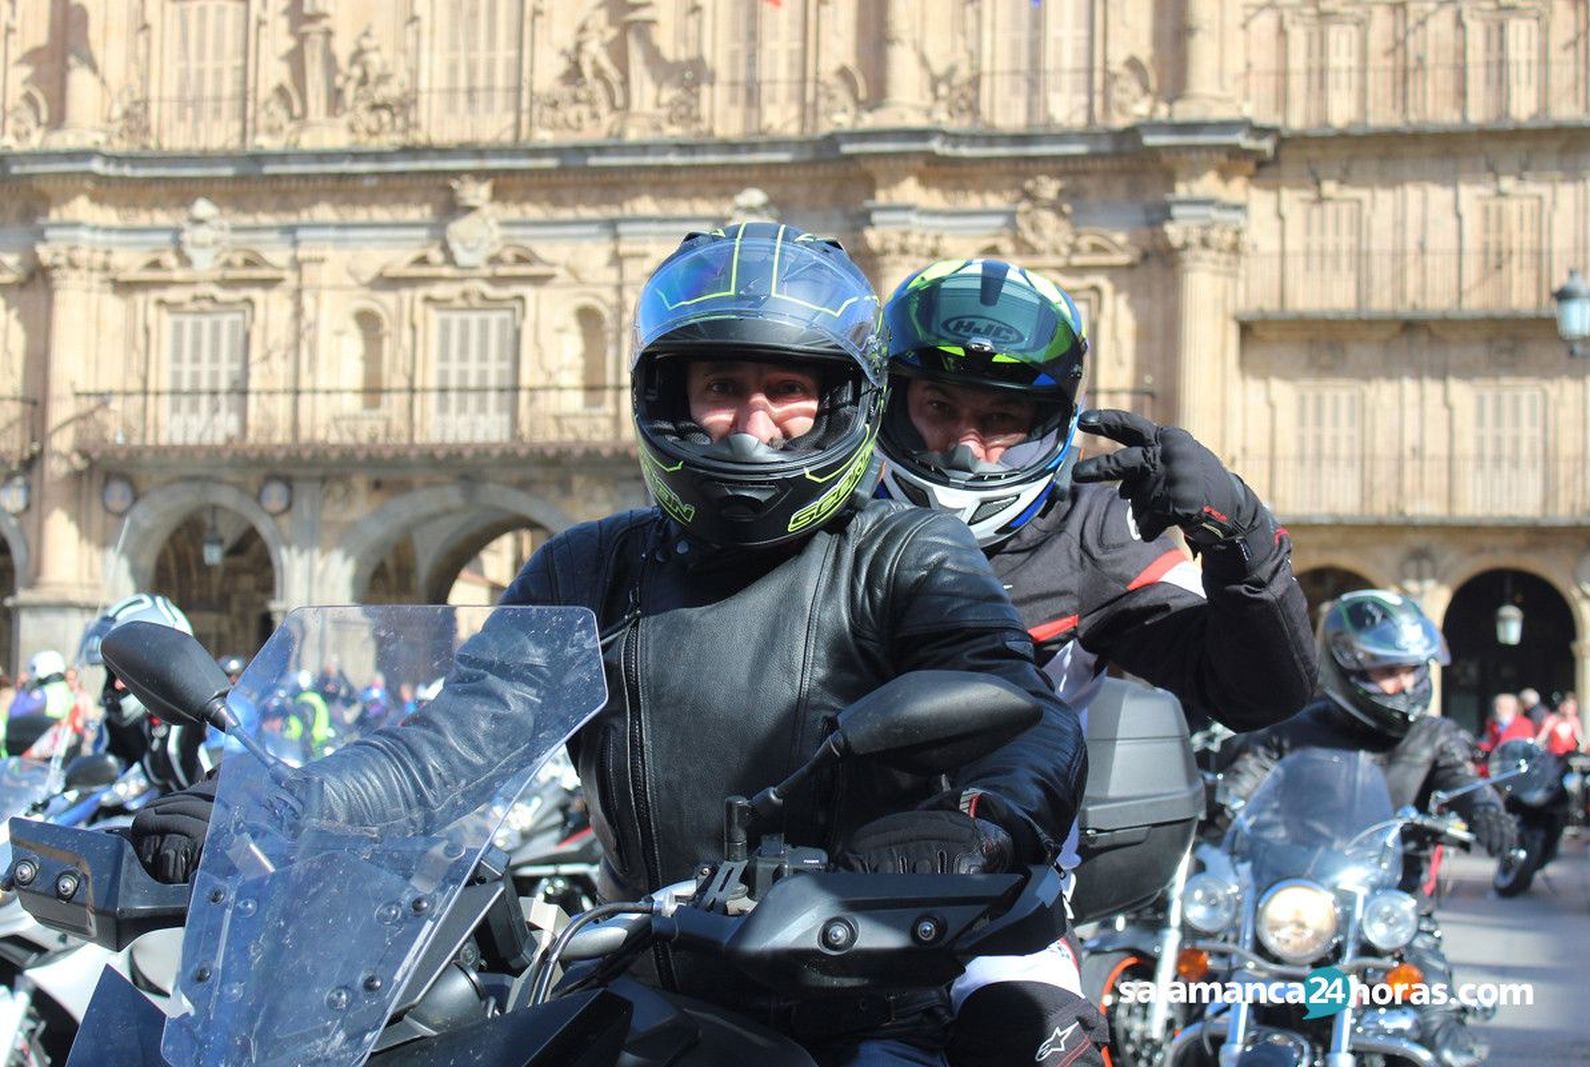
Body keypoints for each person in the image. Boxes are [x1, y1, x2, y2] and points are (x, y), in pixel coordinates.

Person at [131, 223, 1085, 1066]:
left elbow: (1016, 710)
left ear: (840, 403)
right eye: (723, 387)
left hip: (864, 1001)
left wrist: (969, 825)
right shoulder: (590, 566)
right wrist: (284, 802)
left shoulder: (903, 551)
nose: (755, 423)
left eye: (788, 389)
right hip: (634, 990)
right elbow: (446, 751)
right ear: (670, 397)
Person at [872, 257, 1317, 1064]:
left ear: (1050, 421)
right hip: (791, 884)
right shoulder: (829, 504)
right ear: (894, 399)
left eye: (1002, 416)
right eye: (940, 406)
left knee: (1046, 1044)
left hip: (997, 909)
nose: (969, 445)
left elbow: (1256, 692)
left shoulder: (1099, 531)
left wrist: (1244, 542)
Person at [1222, 590, 1517, 1067]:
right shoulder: (1292, 730)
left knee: (1440, 1043)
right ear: (1346, 668)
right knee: (1221, 1009)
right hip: (1304, 912)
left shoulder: (1434, 736)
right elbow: (1245, 778)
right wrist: (1218, 802)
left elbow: (1463, 779)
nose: (1405, 684)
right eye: (1389, 671)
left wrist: (1486, 809)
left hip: (1391, 915)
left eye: (1412, 669)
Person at [78, 594, 217, 795]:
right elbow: (99, 781)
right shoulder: (120, 724)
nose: (116, 685)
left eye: (126, 672)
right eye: (112, 672)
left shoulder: (202, 725)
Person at [1537, 694, 1584, 759]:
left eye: (1573, 708)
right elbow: (1541, 738)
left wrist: (1581, 752)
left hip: (1569, 756)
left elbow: (1580, 739)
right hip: (1554, 755)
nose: (1570, 711)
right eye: (1568, 708)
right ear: (1562, 706)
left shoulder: (1574, 721)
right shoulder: (1551, 720)